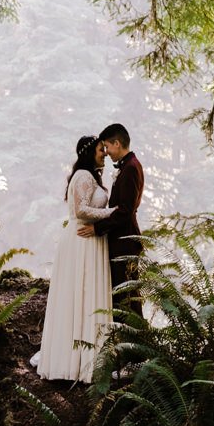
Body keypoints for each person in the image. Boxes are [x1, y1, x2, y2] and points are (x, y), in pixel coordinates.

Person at [32, 134, 113, 382]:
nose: (105, 154)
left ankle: (89, 357)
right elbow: (81, 210)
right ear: (90, 153)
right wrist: (113, 212)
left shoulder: (91, 177)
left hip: (91, 239)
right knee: (79, 293)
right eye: (101, 150)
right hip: (81, 241)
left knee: (88, 294)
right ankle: (73, 361)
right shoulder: (83, 176)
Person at [84, 121, 143, 300]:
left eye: (107, 146)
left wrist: (97, 228)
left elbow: (125, 211)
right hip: (121, 239)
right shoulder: (128, 165)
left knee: (126, 296)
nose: (106, 152)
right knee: (122, 294)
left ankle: (131, 329)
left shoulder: (131, 168)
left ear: (117, 143)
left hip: (125, 240)